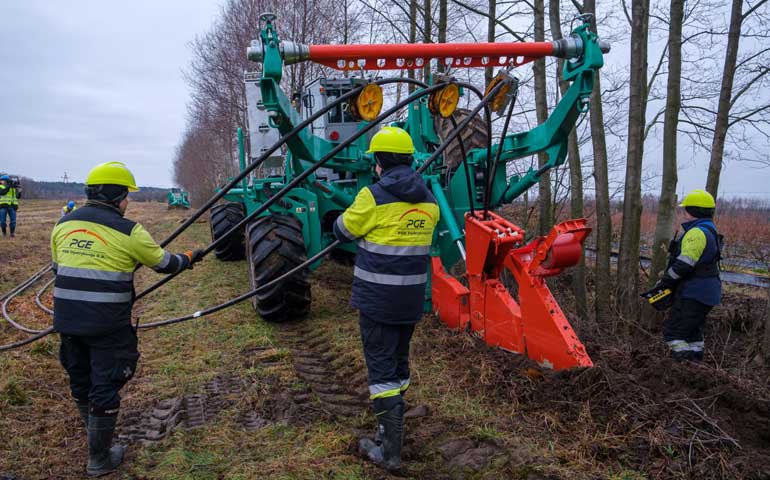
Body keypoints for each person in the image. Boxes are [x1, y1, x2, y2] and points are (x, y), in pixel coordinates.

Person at [50, 161, 204, 476]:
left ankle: (95, 438)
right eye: (126, 195)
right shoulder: (130, 230)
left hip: (66, 320)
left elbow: (59, 268)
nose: (128, 201)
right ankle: (100, 457)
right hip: (106, 324)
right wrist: (190, 257)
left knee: (81, 380)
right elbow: (165, 264)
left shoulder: (63, 224)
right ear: (116, 196)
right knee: (105, 384)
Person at [333, 126, 439, 470]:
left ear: (379, 161)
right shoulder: (430, 201)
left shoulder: (371, 196)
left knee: (380, 373)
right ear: (409, 159)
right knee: (397, 365)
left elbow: (343, 230)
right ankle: (386, 430)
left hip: (377, 302)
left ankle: (389, 453)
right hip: (410, 303)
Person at [644, 189, 722, 362]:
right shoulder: (709, 229)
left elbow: (684, 264)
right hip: (707, 292)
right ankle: (695, 369)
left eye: (686, 209)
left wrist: (665, 281)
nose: (684, 213)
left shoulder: (696, 233)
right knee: (693, 334)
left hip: (694, 292)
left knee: (675, 333)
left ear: (694, 211)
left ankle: (681, 369)